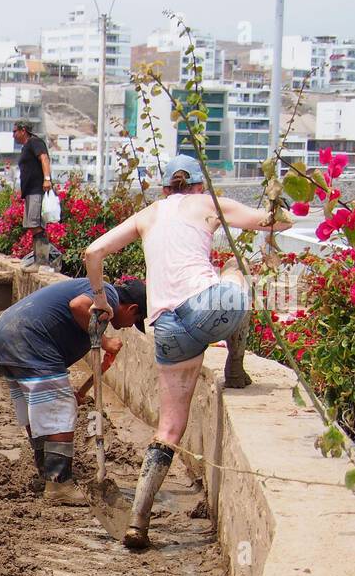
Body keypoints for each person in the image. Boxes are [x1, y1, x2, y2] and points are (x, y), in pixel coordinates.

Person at [83, 155, 292, 549]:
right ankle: (236, 366)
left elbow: (93, 253)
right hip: (208, 309)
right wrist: (283, 202)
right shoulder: (208, 203)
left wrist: (101, 298)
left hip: (167, 326)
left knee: (169, 429)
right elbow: (275, 222)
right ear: (198, 185)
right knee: (236, 273)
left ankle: (138, 521)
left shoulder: (148, 214)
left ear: (165, 189)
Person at [0, 277, 147, 504]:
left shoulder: (94, 294)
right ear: (132, 307)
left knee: (41, 407)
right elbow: (77, 306)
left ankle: (47, 474)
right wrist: (105, 341)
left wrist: (64, 389)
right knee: (59, 410)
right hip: (28, 337)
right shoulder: (107, 295)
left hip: (6, 334)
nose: (132, 325)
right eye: (136, 319)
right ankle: (59, 485)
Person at [12, 120, 53, 266]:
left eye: (15, 131)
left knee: (36, 225)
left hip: (37, 190)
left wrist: (47, 179)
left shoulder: (35, 142)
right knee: (33, 225)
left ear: (23, 131)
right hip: (30, 192)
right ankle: (40, 259)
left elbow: (44, 158)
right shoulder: (26, 147)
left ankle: (45, 259)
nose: (13, 135)